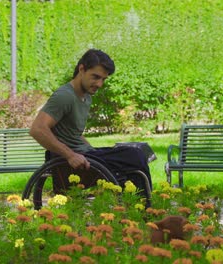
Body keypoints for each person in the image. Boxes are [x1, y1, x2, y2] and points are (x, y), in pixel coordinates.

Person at [29, 49, 152, 195]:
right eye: (95, 77)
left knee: (139, 151)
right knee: (134, 155)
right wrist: (70, 155)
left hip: (87, 155)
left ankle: (136, 207)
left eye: (103, 79)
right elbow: (37, 129)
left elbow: (73, 133)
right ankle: (146, 211)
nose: (99, 84)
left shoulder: (86, 97)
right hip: (68, 164)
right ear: (82, 69)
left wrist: (92, 150)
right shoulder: (65, 96)